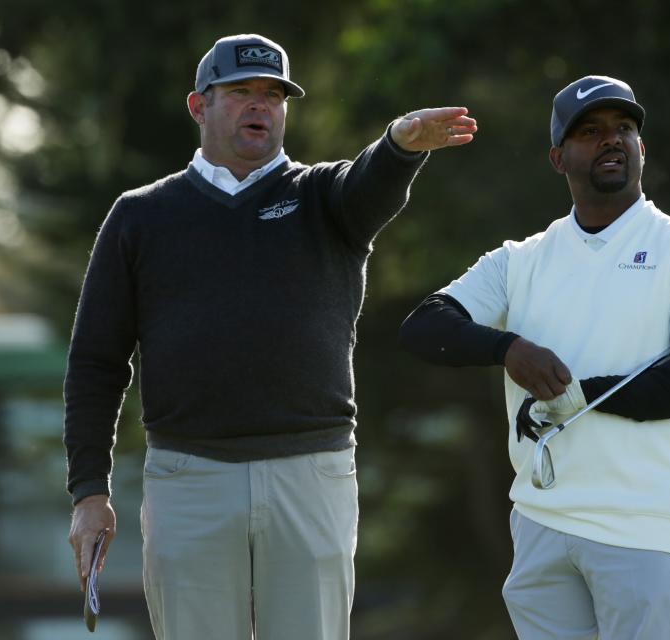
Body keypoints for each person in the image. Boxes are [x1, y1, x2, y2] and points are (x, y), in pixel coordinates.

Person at [63, 33, 476, 640]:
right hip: (189, 478)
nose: (261, 105)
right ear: (199, 106)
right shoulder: (140, 215)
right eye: (241, 93)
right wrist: (88, 490)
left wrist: (398, 148)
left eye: (273, 95)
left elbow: (369, 183)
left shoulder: (322, 197)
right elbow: (96, 363)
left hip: (311, 473)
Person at [399, 75, 670, 639]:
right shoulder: (521, 260)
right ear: (559, 158)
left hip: (644, 529)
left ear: (641, 149)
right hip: (540, 522)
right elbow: (424, 327)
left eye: (624, 129)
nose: (611, 140)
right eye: (590, 132)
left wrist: (582, 394)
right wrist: (507, 348)